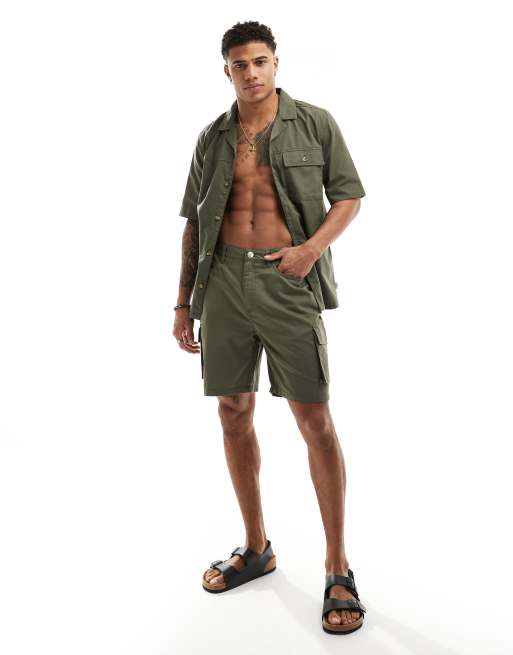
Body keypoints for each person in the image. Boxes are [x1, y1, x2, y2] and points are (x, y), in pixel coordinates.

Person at [173, 20, 367, 635]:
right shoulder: (212, 137)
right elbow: (194, 222)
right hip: (223, 284)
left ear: (275, 63)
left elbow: (349, 195)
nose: (251, 72)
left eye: (260, 61)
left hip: (288, 278)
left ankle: (338, 566)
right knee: (233, 409)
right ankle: (257, 547)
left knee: (315, 420)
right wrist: (183, 303)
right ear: (226, 71)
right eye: (240, 64)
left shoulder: (315, 123)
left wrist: (310, 250)